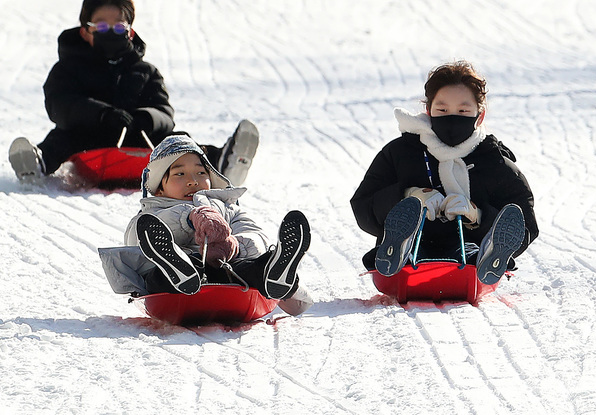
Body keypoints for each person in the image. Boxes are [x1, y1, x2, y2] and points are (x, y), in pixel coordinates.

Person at [7, 0, 258, 182]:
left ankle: (221, 163)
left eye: (118, 26)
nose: (111, 31)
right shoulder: (68, 68)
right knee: (60, 137)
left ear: (130, 33)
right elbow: (60, 104)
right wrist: (102, 114)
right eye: (102, 26)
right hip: (88, 140)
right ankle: (36, 165)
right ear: (85, 32)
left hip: (139, 140)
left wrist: (147, 118)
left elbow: (164, 112)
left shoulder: (145, 72)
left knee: (178, 141)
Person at [350, 62, 537, 287]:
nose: (452, 117)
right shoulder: (400, 152)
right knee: (407, 254)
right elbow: (363, 207)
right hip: (414, 244)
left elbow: (524, 223)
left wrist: (477, 214)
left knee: (471, 255)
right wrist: (408, 196)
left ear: (480, 115)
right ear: (429, 110)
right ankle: (397, 250)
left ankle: (489, 258)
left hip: (467, 247)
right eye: (442, 110)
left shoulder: (494, 162)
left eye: (463, 111)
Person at [98, 135, 312, 312]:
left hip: (232, 274)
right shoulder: (152, 214)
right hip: (181, 284)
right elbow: (136, 239)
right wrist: (188, 218)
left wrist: (234, 246)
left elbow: (254, 234)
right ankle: (180, 268)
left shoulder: (227, 207)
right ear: (159, 189)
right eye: (179, 174)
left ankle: (274, 274)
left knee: (256, 265)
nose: (192, 180)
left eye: (201, 172)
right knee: (159, 274)